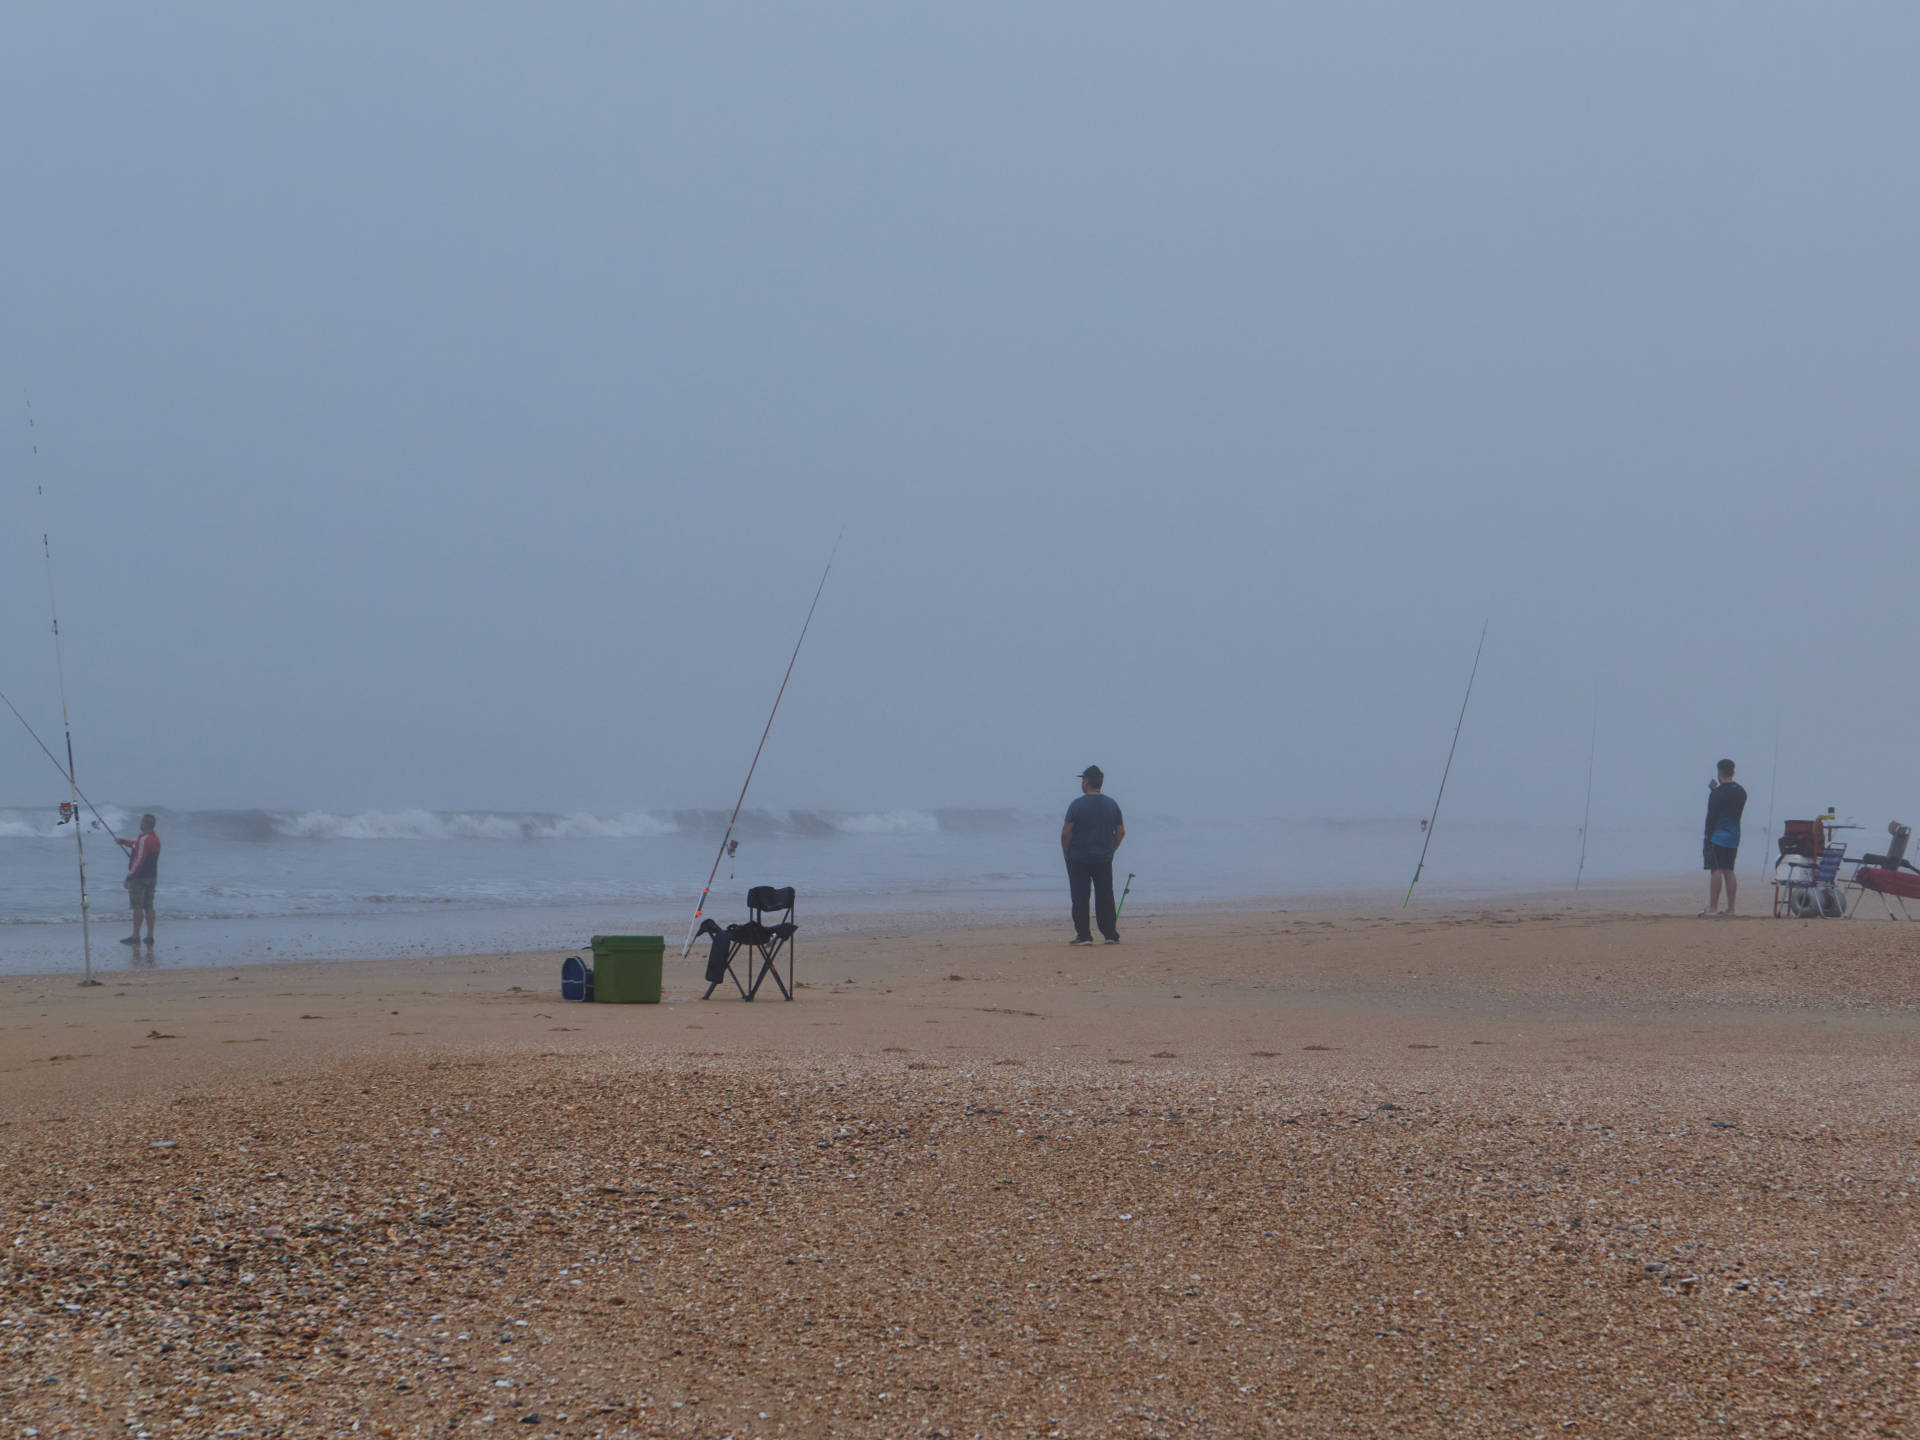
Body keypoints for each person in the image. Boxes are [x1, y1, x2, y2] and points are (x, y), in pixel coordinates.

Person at [1061, 765, 1125, 945]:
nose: (1082, 783)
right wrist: (1112, 849)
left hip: (1079, 857)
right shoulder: (1112, 804)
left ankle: (1084, 935)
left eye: (1083, 780)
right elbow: (1121, 832)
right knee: (1105, 894)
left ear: (1086, 782)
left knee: (1080, 896)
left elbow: (1066, 833)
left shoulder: (1077, 805)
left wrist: (1066, 853)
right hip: (1103, 857)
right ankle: (1110, 934)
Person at [1701, 760, 1746, 917]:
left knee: (1716, 870)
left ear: (1720, 772)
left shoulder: (1717, 793)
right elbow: (1731, 805)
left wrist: (1707, 836)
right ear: (1733, 772)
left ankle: (1713, 908)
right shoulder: (1741, 792)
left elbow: (1711, 816)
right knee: (1729, 870)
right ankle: (1731, 909)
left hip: (1718, 836)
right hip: (1734, 836)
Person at [117, 813, 161, 947]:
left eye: (141, 822)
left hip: (139, 878)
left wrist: (129, 877)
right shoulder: (155, 839)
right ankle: (150, 935)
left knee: (137, 907)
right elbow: (137, 846)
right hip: (152, 876)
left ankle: (135, 936)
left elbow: (139, 860)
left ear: (145, 824)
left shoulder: (144, 840)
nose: (140, 824)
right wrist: (124, 842)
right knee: (149, 906)